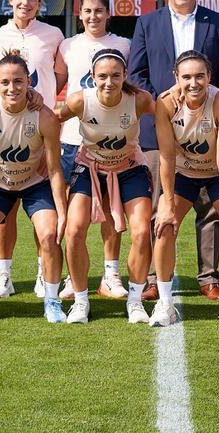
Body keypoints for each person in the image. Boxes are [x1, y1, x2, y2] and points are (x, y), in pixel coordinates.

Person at [127, 0, 219, 302]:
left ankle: (208, 278)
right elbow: (135, 74)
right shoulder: (147, 23)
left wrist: (207, 98)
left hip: (208, 129)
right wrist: (166, 97)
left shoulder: (218, 24)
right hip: (160, 130)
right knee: (161, 206)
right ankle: (153, 277)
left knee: (210, 208)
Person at [0, 54, 68, 324]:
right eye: (5, 82)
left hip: (36, 184)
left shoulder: (44, 116)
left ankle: (52, 300)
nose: (12, 88)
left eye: (19, 81)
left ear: (29, 82)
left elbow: (55, 169)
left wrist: (62, 210)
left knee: (49, 236)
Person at [58, 49, 156, 324]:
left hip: (129, 169)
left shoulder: (138, 100)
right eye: (102, 76)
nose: (109, 82)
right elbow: (52, 119)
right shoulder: (80, 100)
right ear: (92, 77)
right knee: (74, 231)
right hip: (89, 169)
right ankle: (80, 301)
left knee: (140, 231)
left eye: (115, 75)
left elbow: (166, 115)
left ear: (125, 75)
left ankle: (135, 301)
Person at [152, 51, 219, 326]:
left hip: (216, 175)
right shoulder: (165, 103)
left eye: (199, 76)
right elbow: (167, 157)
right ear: (176, 78)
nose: (193, 83)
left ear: (209, 77)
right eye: (186, 77)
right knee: (164, 226)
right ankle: (165, 303)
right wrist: (168, 204)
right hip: (183, 174)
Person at [0, 0, 66, 299]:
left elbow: (59, 75)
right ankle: (3, 274)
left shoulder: (53, 34)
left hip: (40, 130)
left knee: (40, 202)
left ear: (39, 3)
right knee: (6, 210)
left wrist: (40, 100)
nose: (26, 2)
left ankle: (42, 271)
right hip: (4, 130)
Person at [57, 0, 132, 300]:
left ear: (108, 13)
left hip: (111, 142)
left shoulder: (125, 45)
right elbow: (56, 83)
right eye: (87, 11)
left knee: (111, 211)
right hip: (72, 140)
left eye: (99, 11)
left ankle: (111, 274)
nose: (93, 16)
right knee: (73, 216)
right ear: (80, 14)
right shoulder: (67, 45)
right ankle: (71, 278)